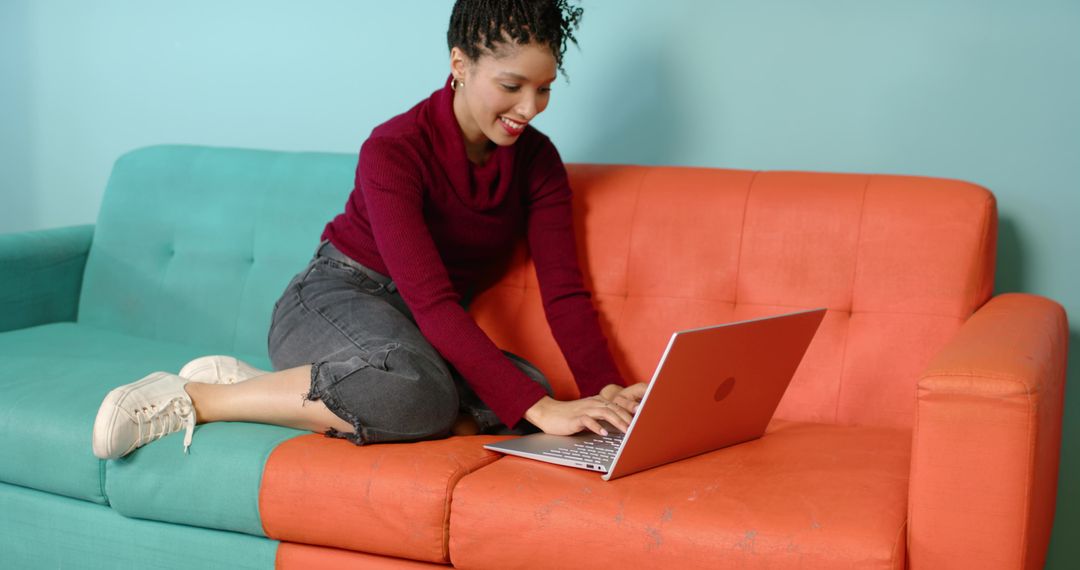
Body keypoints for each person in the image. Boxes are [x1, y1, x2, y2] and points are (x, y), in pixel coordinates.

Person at [91, 0, 647, 460]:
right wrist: (537, 410)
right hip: (336, 297)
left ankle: (275, 386)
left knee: (531, 387)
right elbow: (432, 301)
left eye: (544, 89)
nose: (530, 108)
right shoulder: (395, 149)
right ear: (460, 63)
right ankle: (198, 396)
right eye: (512, 85)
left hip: (417, 334)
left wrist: (612, 396)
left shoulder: (538, 162)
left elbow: (565, 293)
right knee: (443, 394)